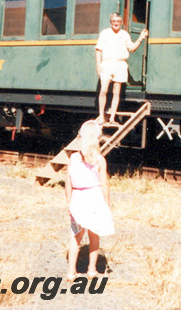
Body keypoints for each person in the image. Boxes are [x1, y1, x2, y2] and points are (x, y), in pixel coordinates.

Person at [65, 120, 114, 280]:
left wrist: (68, 202)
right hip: (94, 198)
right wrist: (107, 202)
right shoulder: (100, 160)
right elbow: (104, 183)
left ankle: (71, 272)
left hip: (77, 198)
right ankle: (92, 270)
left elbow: (68, 182)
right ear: (97, 139)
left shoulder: (73, 158)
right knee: (94, 235)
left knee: (75, 236)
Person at [95, 12, 148, 125]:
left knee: (116, 92)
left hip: (120, 65)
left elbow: (132, 48)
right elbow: (98, 50)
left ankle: (112, 118)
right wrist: (98, 66)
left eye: (118, 22)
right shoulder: (105, 33)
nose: (116, 23)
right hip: (107, 64)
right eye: (114, 21)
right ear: (111, 22)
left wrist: (141, 38)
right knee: (103, 91)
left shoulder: (124, 34)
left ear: (121, 23)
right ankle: (101, 116)